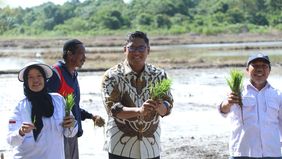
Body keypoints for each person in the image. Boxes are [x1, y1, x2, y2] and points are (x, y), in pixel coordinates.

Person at [101, 31, 174, 159]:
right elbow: (113, 109)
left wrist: (160, 107)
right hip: (121, 148)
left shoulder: (159, 75)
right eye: (132, 48)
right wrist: (140, 111)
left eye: (141, 48)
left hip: (151, 146)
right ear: (125, 50)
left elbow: (167, 107)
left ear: (148, 50)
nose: (136, 52)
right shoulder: (112, 76)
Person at [47, 39, 105, 159]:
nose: (84, 57)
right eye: (81, 53)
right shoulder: (56, 74)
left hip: (71, 133)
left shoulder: (73, 74)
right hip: (58, 136)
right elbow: (46, 104)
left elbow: (73, 107)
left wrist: (90, 116)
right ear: (70, 54)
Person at [7, 61, 78, 159]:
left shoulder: (58, 100)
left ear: (44, 79)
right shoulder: (20, 107)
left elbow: (70, 133)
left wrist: (72, 125)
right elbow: (11, 140)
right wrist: (20, 132)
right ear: (26, 82)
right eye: (30, 77)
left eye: (39, 76)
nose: (35, 80)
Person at [219, 53, 282, 159]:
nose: (259, 69)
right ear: (247, 70)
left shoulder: (277, 95)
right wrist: (228, 102)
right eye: (255, 66)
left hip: (271, 152)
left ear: (269, 70)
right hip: (242, 152)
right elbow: (222, 110)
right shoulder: (236, 91)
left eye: (264, 66)